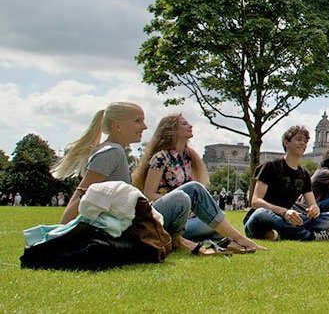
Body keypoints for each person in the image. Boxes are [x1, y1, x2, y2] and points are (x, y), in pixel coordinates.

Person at [52, 102, 263, 255]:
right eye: (137, 121)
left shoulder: (114, 151)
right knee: (188, 194)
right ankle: (238, 240)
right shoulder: (112, 152)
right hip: (132, 225)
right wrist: (62, 232)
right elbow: (83, 192)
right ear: (117, 125)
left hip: (135, 221)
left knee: (209, 221)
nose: (144, 127)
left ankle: (221, 240)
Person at [132, 113, 239, 246]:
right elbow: (149, 194)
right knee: (214, 222)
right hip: (167, 216)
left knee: (217, 224)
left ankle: (216, 241)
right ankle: (239, 240)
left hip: (187, 218)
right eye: (184, 124)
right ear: (172, 130)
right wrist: (184, 203)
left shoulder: (189, 157)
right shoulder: (160, 158)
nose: (190, 126)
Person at [244, 125, 329, 241]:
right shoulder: (270, 166)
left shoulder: (304, 174)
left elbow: (312, 204)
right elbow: (255, 201)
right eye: (299, 139)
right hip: (265, 217)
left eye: (305, 141)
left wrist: (314, 210)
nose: (303, 144)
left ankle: (278, 233)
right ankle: (308, 235)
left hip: (289, 218)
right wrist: (285, 212)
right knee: (261, 213)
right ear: (286, 142)